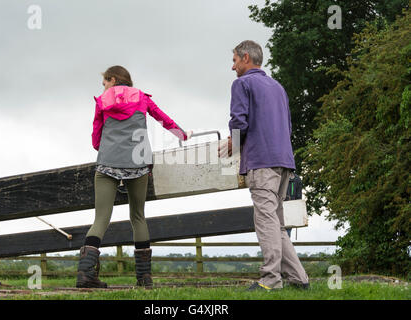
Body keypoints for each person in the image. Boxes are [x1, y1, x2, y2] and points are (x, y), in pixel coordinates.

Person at [76, 65, 191, 288]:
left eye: (105, 83)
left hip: (108, 163)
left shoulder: (102, 101)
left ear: (112, 79)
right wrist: (182, 135)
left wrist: (107, 150)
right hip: (137, 164)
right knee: (138, 216)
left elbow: (96, 137)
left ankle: (85, 274)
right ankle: (144, 278)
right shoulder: (142, 98)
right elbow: (164, 120)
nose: (104, 87)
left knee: (101, 219)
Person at [219, 40, 309, 290]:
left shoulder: (242, 84)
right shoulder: (277, 87)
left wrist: (233, 146)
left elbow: (239, 122)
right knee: (276, 222)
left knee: (265, 221)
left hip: (262, 161)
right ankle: (299, 279)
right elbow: (287, 126)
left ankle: (271, 279)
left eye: (235, 60)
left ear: (246, 58)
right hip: (284, 161)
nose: (233, 66)